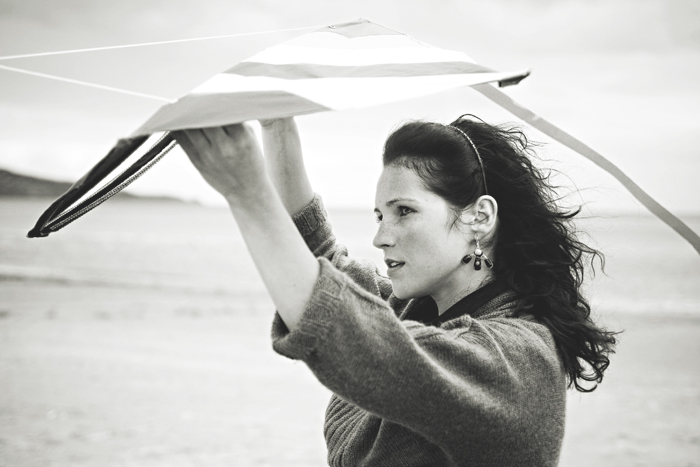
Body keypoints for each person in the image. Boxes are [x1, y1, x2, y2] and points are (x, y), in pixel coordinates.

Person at [173, 115, 617, 467]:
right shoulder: (411, 312)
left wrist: (247, 192)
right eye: (379, 215)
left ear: (479, 217)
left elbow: (350, 334)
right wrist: (277, 123)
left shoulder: (517, 360)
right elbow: (318, 258)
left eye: (404, 211)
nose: (381, 237)